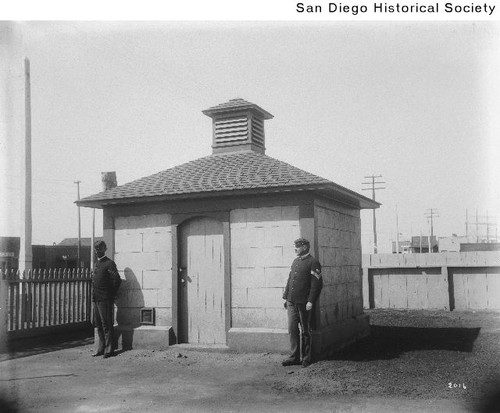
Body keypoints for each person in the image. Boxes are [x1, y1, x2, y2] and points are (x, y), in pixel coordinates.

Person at [282, 237, 322, 368]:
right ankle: (294, 357)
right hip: (292, 301)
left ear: (304, 247)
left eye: (297, 246)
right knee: (292, 329)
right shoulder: (295, 261)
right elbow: (290, 280)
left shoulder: (313, 262)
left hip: (304, 303)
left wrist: (310, 301)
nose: (295, 249)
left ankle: (306, 357)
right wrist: (286, 297)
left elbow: (316, 284)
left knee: (305, 330)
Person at [92, 240, 121, 359]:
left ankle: (109, 349)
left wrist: (110, 295)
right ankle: (101, 348)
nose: (97, 251)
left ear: (105, 249)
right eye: (96, 249)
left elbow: (117, 280)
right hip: (96, 299)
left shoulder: (109, 263)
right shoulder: (96, 263)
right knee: (98, 324)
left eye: (100, 249)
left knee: (106, 324)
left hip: (105, 299)